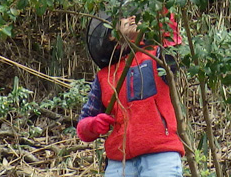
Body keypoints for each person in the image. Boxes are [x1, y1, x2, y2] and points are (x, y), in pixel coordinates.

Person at [77, 14, 184, 177]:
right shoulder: (104, 76)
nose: (132, 17)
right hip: (119, 163)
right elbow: (83, 128)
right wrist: (93, 125)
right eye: (124, 17)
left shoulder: (156, 56)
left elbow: (174, 45)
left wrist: (162, 2)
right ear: (111, 34)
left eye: (134, 15)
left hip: (161, 155)